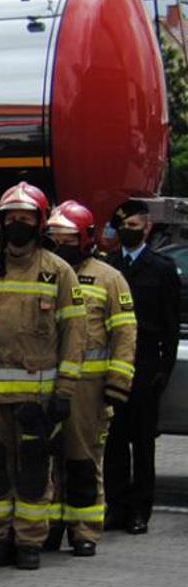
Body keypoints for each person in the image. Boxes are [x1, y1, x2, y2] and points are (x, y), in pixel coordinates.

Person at [0, 182, 83, 571]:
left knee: (31, 473)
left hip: (36, 397)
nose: (16, 225)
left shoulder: (58, 272)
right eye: (10, 219)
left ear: (39, 223)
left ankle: (29, 542)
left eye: (24, 219)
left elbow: (74, 337)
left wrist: (64, 392)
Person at [42, 201, 136, 556]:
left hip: (89, 389)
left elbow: (125, 333)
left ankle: (84, 530)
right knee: (48, 459)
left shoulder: (109, 278)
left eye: (66, 237)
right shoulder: (45, 272)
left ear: (84, 238)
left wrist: (117, 382)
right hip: (48, 383)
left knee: (82, 459)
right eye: (54, 236)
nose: (58, 243)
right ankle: (50, 526)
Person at [104, 198, 179, 535]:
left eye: (133, 226)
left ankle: (140, 511)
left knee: (143, 442)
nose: (127, 231)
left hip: (146, 363)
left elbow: (170, 324)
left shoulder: (161, 268)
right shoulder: (110, 266)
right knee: (114, 440)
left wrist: (164, 368)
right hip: (113, 364)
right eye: (123, 227)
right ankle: (116, 506)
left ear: (147, 228)